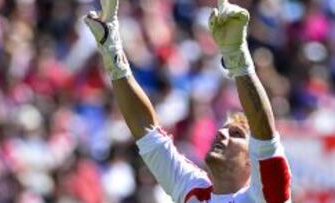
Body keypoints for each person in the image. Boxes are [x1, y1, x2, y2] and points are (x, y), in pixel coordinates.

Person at [84, 0, 292, 202]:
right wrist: (112, 50)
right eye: (226, 129)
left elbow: (265, 134)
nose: (221, 133)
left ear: (252, 161)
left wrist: (236, 56)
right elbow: (146, 132)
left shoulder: (264, 198)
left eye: (236, 134)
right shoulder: (192, 190)